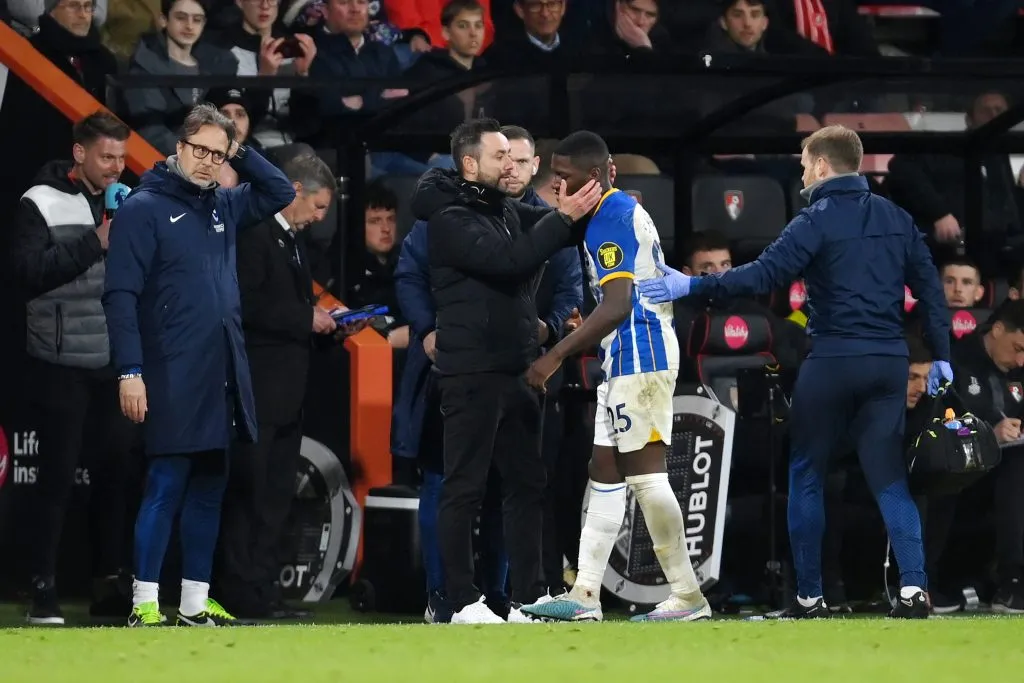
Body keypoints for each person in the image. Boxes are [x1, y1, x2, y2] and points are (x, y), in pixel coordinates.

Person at [636, 124, 952, 619]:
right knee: (889, 476)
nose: (802, 171)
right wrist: (944, 353)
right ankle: (914, 589)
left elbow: (764, 274)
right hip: (888, 362)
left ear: (823, 166)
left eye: (806, 162)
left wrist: (690, 286)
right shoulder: (897, 217)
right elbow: (931, 289)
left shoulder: (815, 218)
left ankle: (809, 597)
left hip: (833, 361)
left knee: (807, 473)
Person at [103, 103, 296, 627]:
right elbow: (120, 296)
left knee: (211, 486)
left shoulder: (222, 206)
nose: (210, 161)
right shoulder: (142, 209)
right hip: (168, 371)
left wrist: (241, 150)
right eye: (201, 149)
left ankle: (192, 602)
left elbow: (281, 192)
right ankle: (144, 603)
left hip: (221, 371)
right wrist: (130, 372)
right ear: (178, 147)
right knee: (166, 484)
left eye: (219, 152)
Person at [411, 117, 600, 624]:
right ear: (471, 164)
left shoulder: (499, 209)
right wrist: (562, 219)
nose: (511, 165)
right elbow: (512, 261)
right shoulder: (451, 218)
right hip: (471, 373)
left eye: (516, 158)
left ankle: (529, 597)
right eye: (501, 157)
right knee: (464, 487)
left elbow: (538, 244)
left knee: (526, 485)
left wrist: (594, 210)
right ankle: (460, 601)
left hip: (517, 370)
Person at [521, 130, 710, 623]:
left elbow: (618, 304)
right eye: (555, 178)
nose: (558, 188)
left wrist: (554, 356)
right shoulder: (616, 209)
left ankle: (688, 596)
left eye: (564, 178)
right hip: (624, 358)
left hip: (640, 358)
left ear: (596, 177)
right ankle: (584, 596)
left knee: (647, 479)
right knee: (603, 473)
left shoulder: (610, 220)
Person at [7, 112, 137, 625]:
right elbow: (25, 273)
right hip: (58, 362)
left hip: (113, 360)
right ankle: (42, 588)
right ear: (79, 153)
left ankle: (110, 588)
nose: (117, 168)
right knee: (56, 480)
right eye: (108, 157)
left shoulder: (128, 201)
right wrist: (95, 243)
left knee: (116, 477)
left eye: (122, 158)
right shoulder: (39, 201)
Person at [217, 152, 355, 619]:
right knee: (249, 494)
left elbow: (288, 310)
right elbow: (245, 307)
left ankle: (265, 592)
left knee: (276, 497)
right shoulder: (254, 234)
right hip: (256, 390)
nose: (320, 218)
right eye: (317, 206)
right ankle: (237, 592)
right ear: (293, 190)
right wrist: (305, 317)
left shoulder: (291, 240)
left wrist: (330, 325)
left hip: (287, 393)